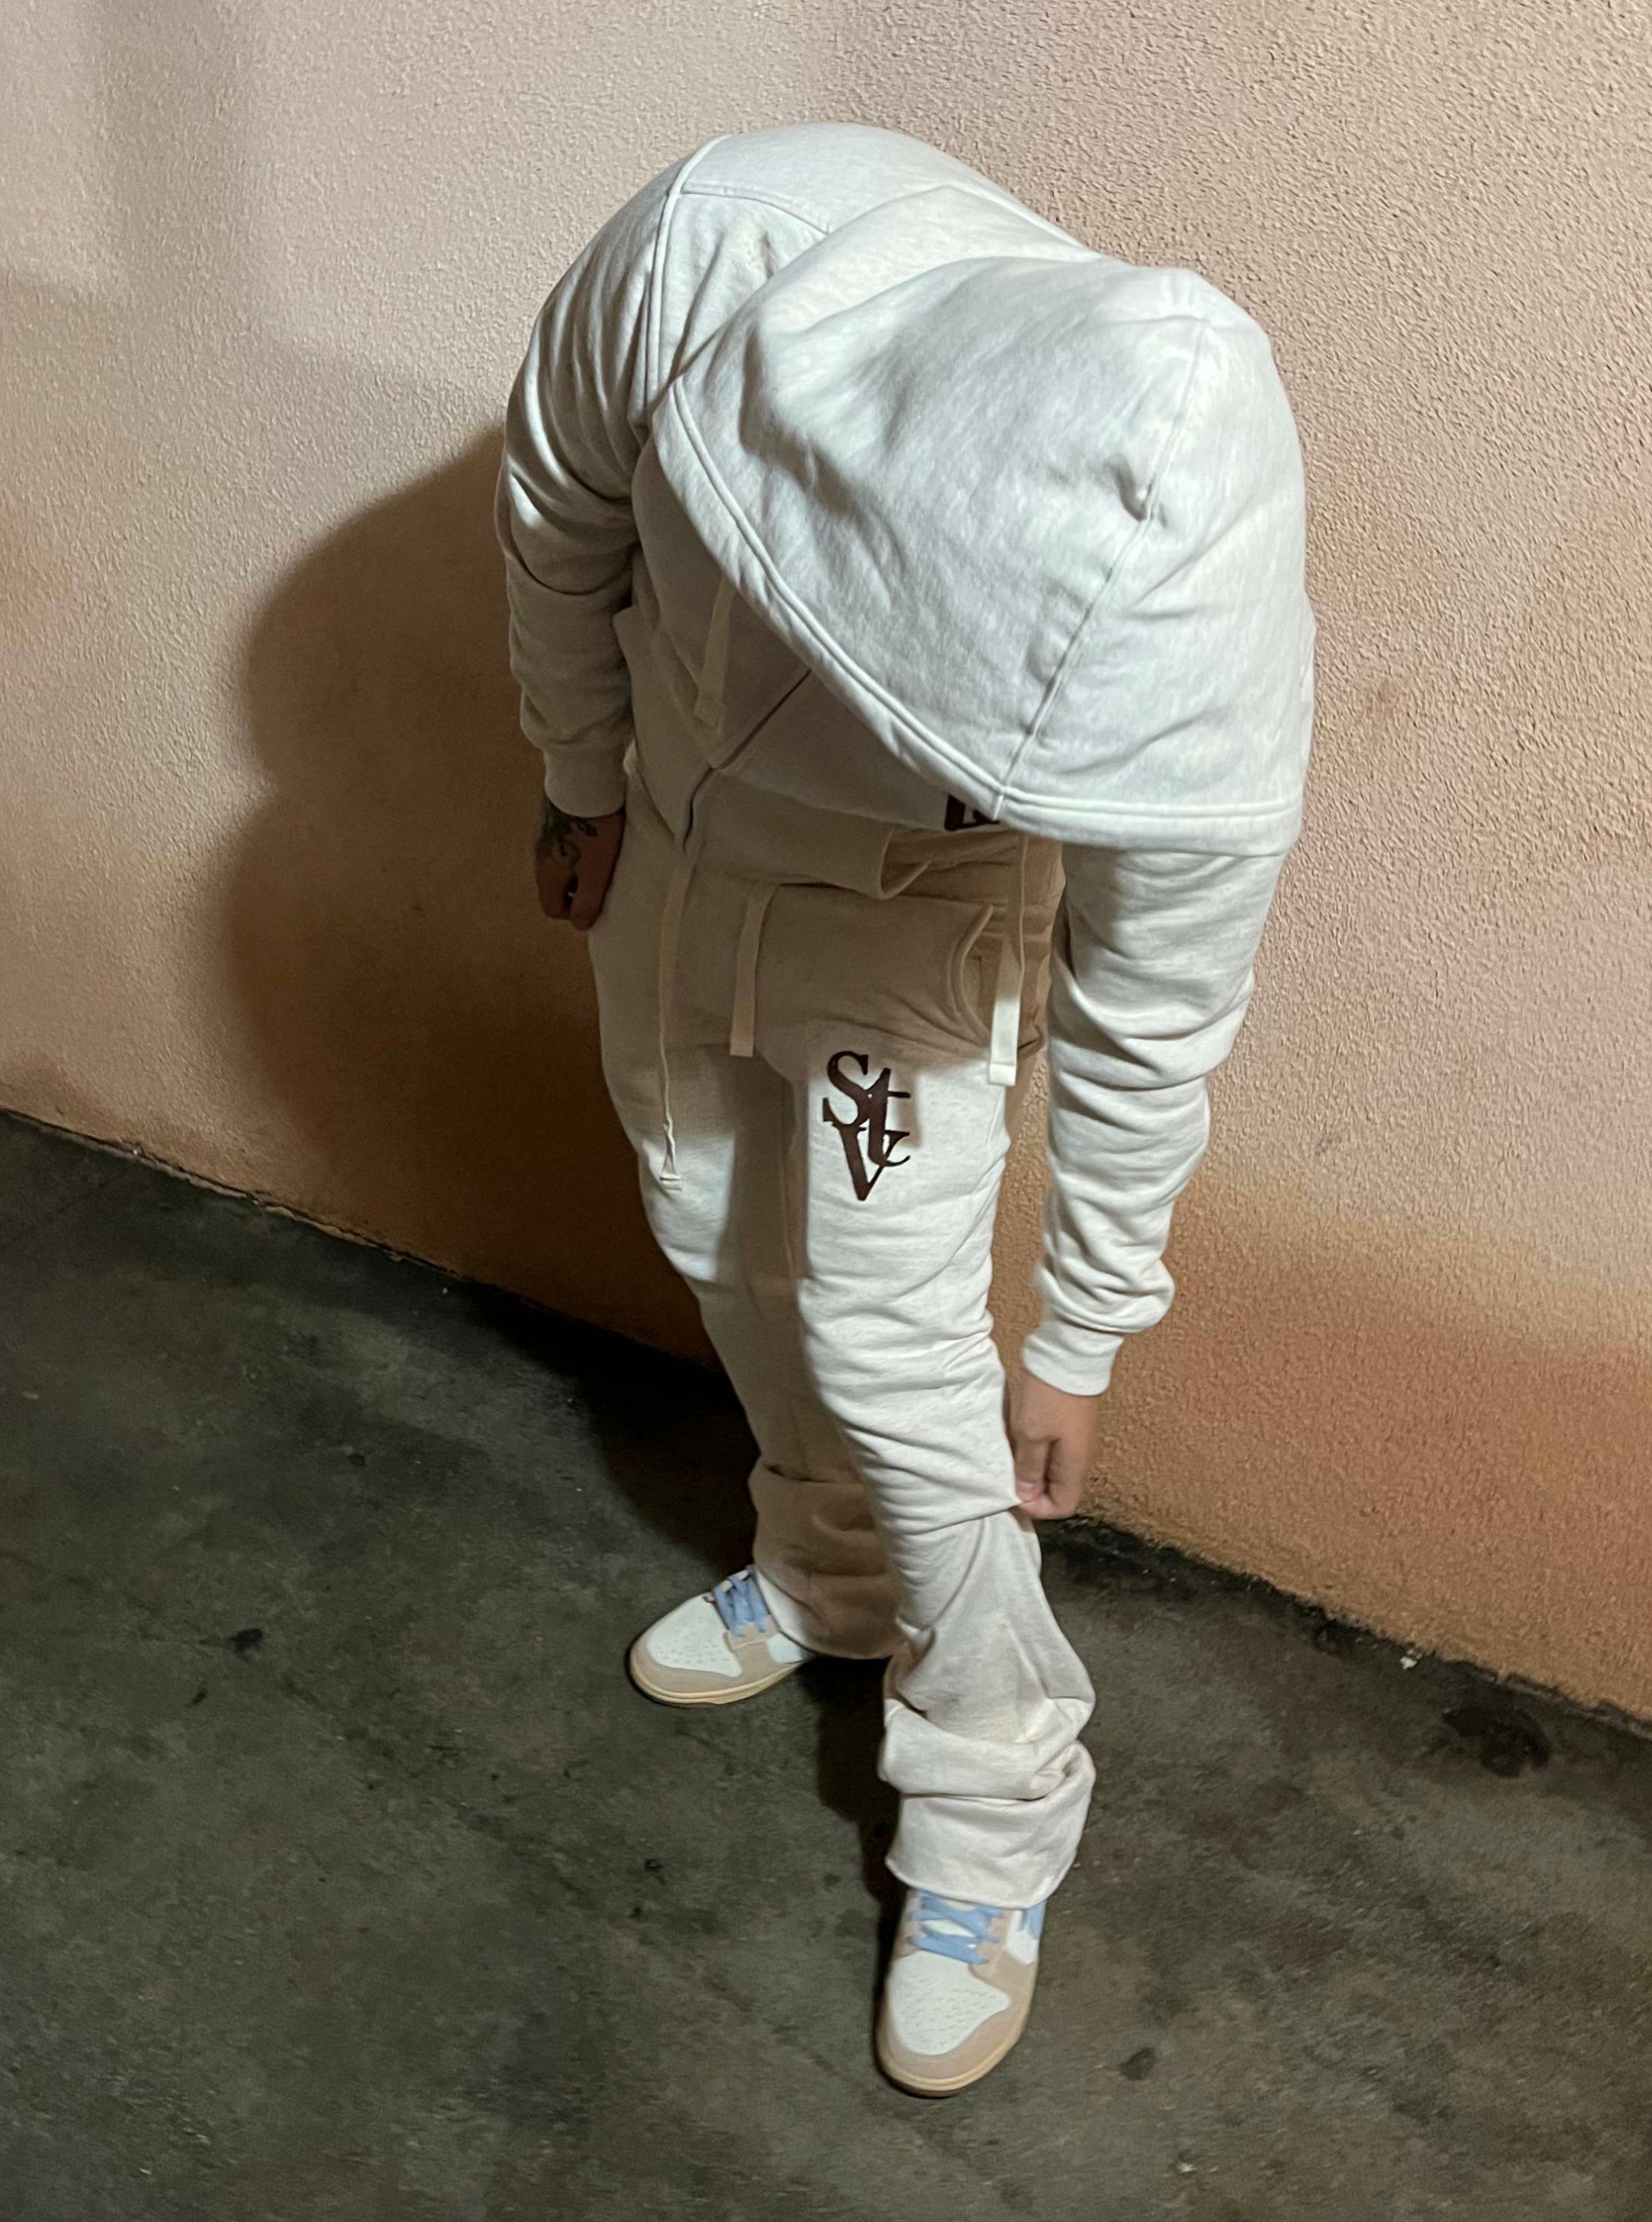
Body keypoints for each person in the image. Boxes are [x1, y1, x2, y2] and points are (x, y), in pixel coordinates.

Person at [497, 123, 1312, 2095]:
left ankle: (994, 1805)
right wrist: (582, 772)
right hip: (675, 836)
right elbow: (559, 506)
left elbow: (1151, 1014)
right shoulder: (710, 248)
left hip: (914, 914)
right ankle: (828, 1572)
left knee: (892, 1340)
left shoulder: (1204, 662)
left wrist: (1083, 1328)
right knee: (703, 1219)